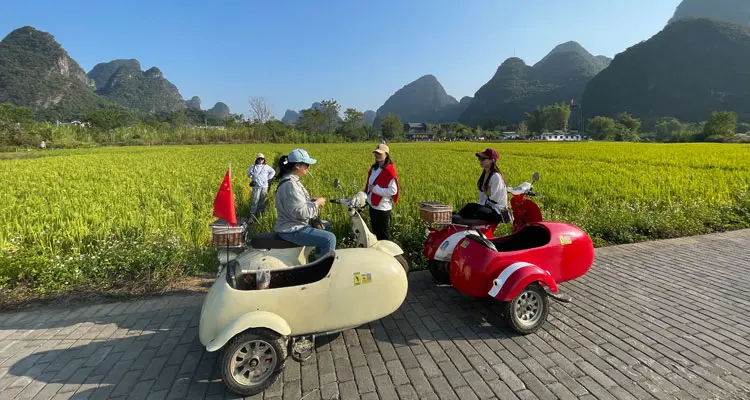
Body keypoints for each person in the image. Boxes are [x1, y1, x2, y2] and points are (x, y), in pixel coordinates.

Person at [274, 149, 336, 259]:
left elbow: (296, 204)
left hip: (293, 223)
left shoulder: (292, 181)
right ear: (298, 165)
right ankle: (323, 270)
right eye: (307, 165)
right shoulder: (290, 185)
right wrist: (316, 203)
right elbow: (299, 212)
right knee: (329, 238)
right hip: (292, 228)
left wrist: (310, 202)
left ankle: (318, 258)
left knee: (326, 225)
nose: (308, 167)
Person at [457, 147, 512, 224]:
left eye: (483, 158)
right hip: (488, 208)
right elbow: (482, 198)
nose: (480, 161)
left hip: (497, 211)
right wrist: (479, 207)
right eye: (479, 158)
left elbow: (494, 200)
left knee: (470, 207)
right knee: (469, 208)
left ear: (492, 160)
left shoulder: (496, 176)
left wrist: (479, 208)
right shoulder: (484, 175)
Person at [365, 143, 399, 240]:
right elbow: (369, 184)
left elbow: (393, 190)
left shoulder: (389, 171)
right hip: (373, 205)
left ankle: (387, 254)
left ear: (386, 155)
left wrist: (375, 189)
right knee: (375, 233)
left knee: (383, 235)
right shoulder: (374, 168)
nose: (377, 155)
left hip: (383, 208)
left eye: (380, 153)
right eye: (376, 153)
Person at [247, 153, 276, 220]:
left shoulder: (266, 166)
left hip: (264, 186)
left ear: (264, 159)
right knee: (254, 201)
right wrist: (250, 174)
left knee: (262, 201)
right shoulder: (253, 166)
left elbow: (273, 172)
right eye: (259, 159)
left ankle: (260, 216)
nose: (260, 160)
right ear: (257, 159)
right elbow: (248, 175)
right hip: (256, 187)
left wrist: (268, 178)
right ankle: (252, 216)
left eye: (262, 159)